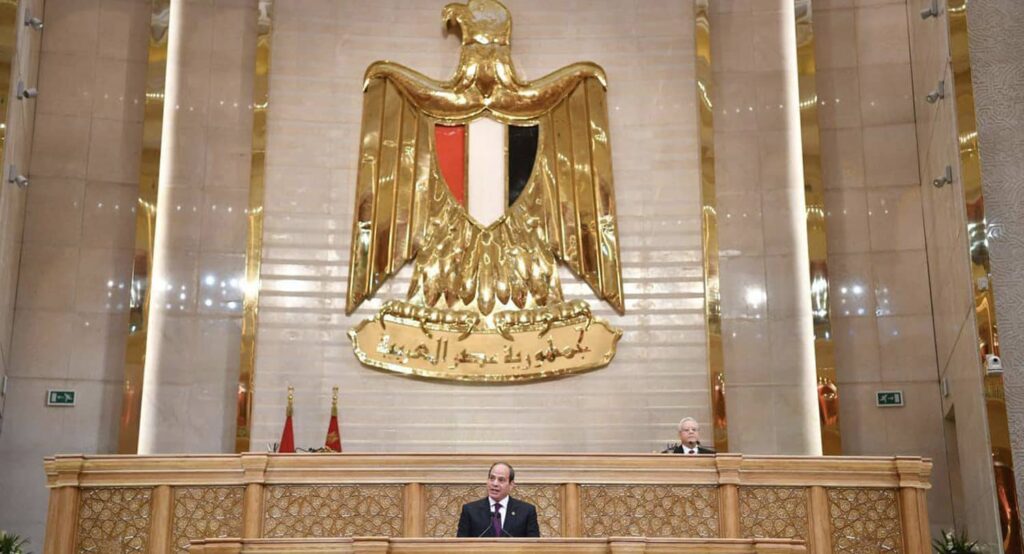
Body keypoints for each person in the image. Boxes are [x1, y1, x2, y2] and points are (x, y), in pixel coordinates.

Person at [456, 461, 540, 538]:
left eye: (501, 480)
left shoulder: (526, 511)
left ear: (511, 485)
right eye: (492, 478)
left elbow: (535, 545)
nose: (495, 483)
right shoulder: (470, 511)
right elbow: (460, 545)